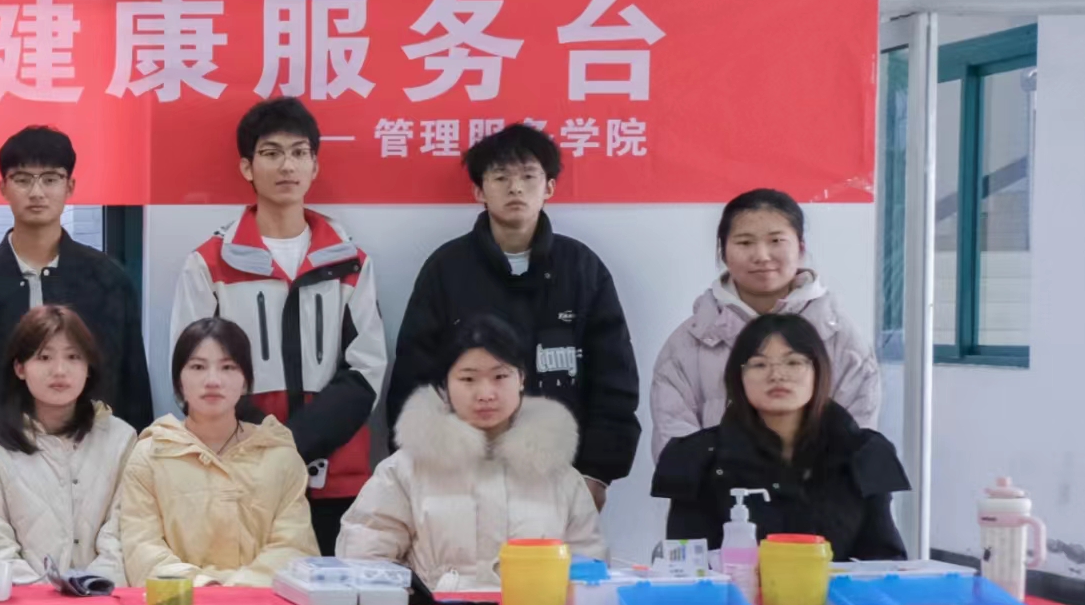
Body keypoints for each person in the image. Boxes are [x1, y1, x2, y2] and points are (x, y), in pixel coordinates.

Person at [167, 97, 387, 552]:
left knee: (333, 590)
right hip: (239, 472)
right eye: (271, 153)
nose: (287, 165)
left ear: (314, 165)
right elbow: (190, 372)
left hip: (336, 479)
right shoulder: (209, 263)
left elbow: (366, 370)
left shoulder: (350, 262)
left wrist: (295, 443)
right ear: (247, 167)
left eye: (299, 152)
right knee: (245, 592)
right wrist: (265, 448)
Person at [386, 123, 640, 506]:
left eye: (528, 176)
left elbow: (614, 379)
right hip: (460, 483)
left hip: (563, 477)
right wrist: (425, 470)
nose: (515, 188)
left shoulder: (581, 268)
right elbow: (414, 379)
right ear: (479, 191)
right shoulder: (447, 269)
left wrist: (597, 473)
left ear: (549, 187)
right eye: (501, 177)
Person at [342, 315, 604, 593]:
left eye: (500, 376)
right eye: (468, 378)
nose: (486, 393)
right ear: (445, 385)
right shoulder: (404, 471)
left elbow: (588, 573)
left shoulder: (558, 474)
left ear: (521, 379)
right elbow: (364, 562)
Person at [0, 125, 151, 434]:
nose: (36, 193)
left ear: (70, 186)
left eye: (50, 179)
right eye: (22, 179)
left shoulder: (108, 280)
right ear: (3, 187)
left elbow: (132, 386)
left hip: (90, 448)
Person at [656, 313, 908, 560]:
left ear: (818, 371)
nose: (777, 375)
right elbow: (686, 568)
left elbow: (886, 561)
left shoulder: (863, 453)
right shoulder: (699, 457)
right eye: (759, 364)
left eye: (793, 363)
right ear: (738, 377)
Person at [650, 188, 881, 447]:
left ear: (800, 248)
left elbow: (857, 444)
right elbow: (675, 446)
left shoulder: (842, 340)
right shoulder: (689, 343)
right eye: (745, 243)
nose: (761, 256)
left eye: (776, 241)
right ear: (723, 253)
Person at [113, 317, 317, 588]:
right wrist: (205, 588)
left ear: (246, 382)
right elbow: (141, 548)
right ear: (179, 382)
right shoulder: (150, 455)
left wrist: (238, 590)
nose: (212, 380)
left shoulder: (280, 456)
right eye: (198, 367)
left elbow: (293, 547)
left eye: (228, 367)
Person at [0, 305, 134, 583]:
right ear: (20, 368)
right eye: (44, 357)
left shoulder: (120, 439)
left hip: (104, 598)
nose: (59, 370)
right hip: (23, 601)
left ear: (88, 367)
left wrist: (93, 589)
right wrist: (40, 596)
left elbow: (120, 535)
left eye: (73, 357)